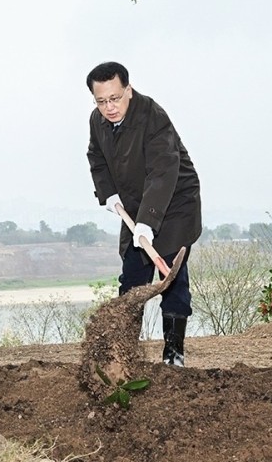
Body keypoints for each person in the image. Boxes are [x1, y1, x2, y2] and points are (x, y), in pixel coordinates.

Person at [85, 61, 202, 367]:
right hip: (136, 205)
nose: (109, 108)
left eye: (115, 98)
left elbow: (163, 171)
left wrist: (148, 221)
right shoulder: (97, 121)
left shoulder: (152, 116)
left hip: (175, 203)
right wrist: (108, 192)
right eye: (101, 101)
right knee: (132, 277)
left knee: (172, 277)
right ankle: (123, 354)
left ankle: (174, 355)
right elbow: (96, 157)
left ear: (128, 89)